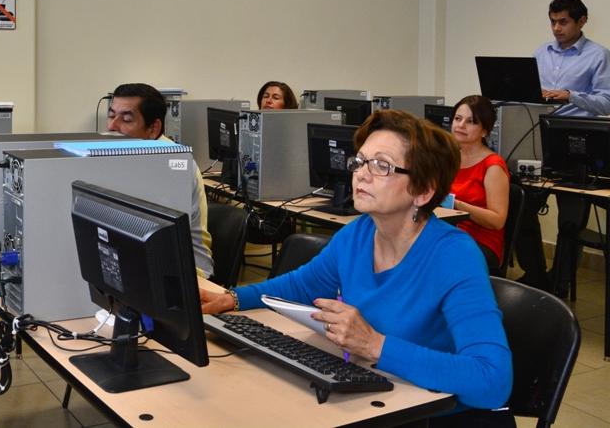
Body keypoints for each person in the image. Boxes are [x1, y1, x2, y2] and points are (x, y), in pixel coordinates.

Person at [200, 110, 512, 420]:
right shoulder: (359, 233)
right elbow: (300, 286)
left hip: (430, 417)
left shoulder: (453, 255)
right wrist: (234, 298)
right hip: (377, 399)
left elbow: (492, 380)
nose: (361, 174)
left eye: (382, 166)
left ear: (423, 190)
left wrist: (375, 345)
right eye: (360, 161)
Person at [533, 0, 610, 295]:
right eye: (553, 22)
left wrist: (570, 95)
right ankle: (536, 275)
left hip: (577, 141)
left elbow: (606, 102)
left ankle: (559, 283)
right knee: (523, 202)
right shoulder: (541, 52)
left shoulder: (598, 55)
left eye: (563, 22)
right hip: (539, 135)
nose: (556, 28)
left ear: (582, 21)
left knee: (570, 218)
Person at [107, 83, 214, 277]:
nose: (112, 126)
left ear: (153, 128)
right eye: (112, 115)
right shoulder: (129, 154)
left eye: (126, 119)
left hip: (189, 270)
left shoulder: (172, 163)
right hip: (144, 261)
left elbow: (159, 237)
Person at [449, 95, 510, 273]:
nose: (460, 125)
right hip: (449, 233)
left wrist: (457, 205)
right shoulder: (449, 157)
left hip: (480, 241)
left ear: (484, 130)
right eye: (458, 119)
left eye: (471, 121)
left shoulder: (492, 166)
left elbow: (497, 220)